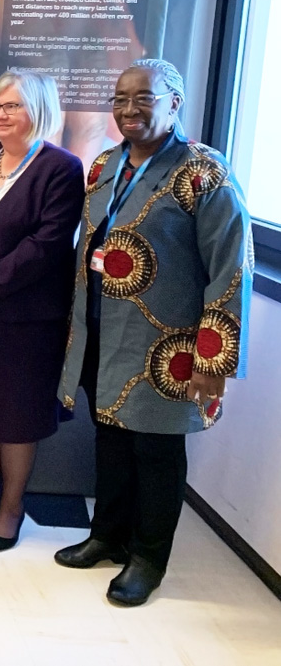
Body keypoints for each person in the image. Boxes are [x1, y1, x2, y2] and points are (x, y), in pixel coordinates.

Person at [55, 59, 253, 606]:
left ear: (174, 103)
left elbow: (231, 269)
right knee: (112, 439)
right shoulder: (104, 165)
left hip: (166, 347)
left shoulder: (203, 173)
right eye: (120, 99)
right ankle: (107, 536)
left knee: (156, 452)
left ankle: (148, 557)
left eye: (143, 98)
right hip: (102, 332)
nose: (128, 109)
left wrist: (215, 360)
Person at [0, 70, 84, 551]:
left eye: (13, 106)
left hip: (27, 317)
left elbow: (46, 245)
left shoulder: (61, 168)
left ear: (39, 110)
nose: (2, 115)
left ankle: (12, 507)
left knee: (19, 414)